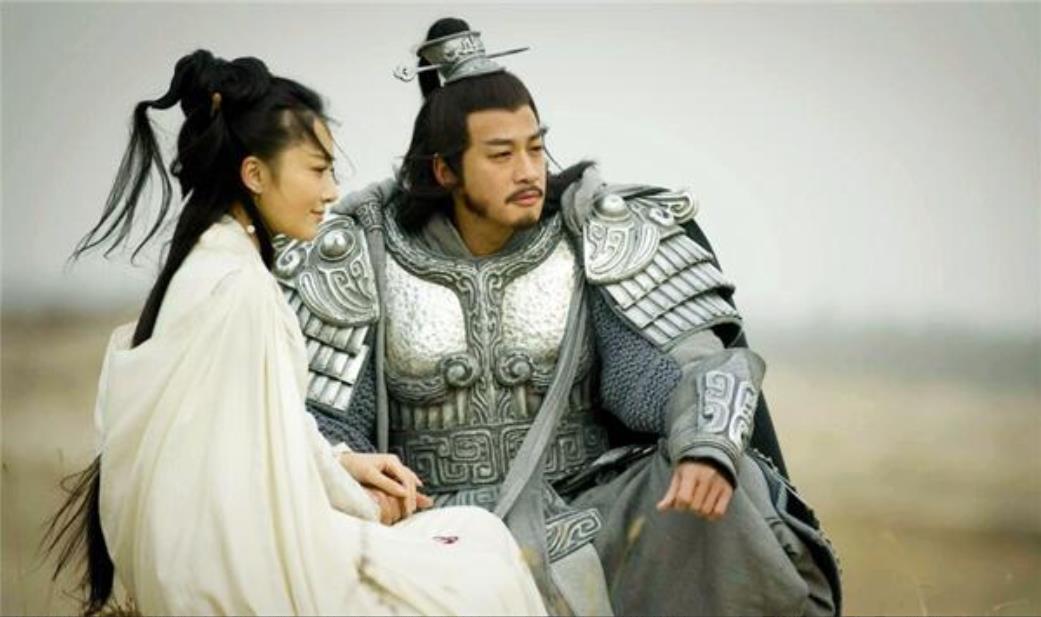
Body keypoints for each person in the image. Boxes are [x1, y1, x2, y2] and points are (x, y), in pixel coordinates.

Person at [283, 18, 843, 617]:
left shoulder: (588, 235)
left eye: (535, 147)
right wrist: (363, 481)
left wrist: (704, 445)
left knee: (722, 483)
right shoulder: (362, 254)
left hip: (586, 518)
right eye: (502, 155)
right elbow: (321, 426)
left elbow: (665, 376)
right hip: (429, 531)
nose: (530, 170)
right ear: (445, 170)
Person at [45, 49, 548, 617]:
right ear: (255, 175)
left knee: (478, 534)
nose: (332, 191)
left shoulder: (212, 261)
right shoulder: (239, 289)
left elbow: (257, 436)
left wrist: (344, 462)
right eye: (317, 170)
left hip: (200, 559)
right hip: (242, 571)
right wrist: (364, 505)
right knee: (484, 566)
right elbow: (250, 486)